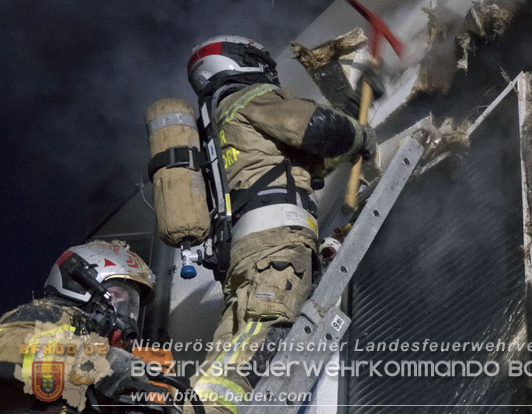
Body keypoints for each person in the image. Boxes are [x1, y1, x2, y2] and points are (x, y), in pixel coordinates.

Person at [186, 35, 377, 412]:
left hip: (249, 250)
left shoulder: (219, 127)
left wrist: (350, 117)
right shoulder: (248, 98)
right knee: (266, 336)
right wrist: (360, 133)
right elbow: (317, 128)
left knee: (230, 352)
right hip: (276, 245)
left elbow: (306, 159)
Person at [0, 240, 156, 412]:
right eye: (115, 296)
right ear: (80, 284)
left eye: (131, 304)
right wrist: (102, 361)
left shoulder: (92, 339)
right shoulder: (47, 313)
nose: (126, 314)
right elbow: (13, 349)